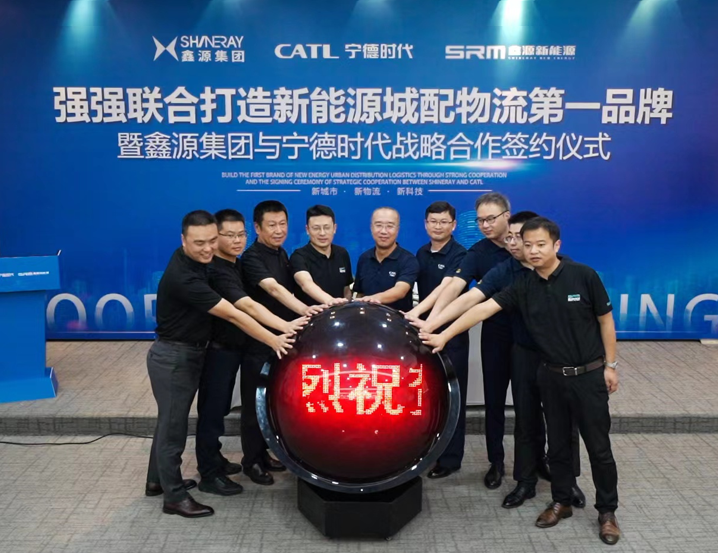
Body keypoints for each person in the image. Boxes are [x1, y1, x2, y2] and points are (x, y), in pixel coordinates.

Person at [420, 217, 621, 545]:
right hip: (550, 375)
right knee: (557, 445)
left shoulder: (583, 275)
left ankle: (607, 512)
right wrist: (442, 334)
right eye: (528, 245)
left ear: (556, 245)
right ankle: (561, 501)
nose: (533, 250)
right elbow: (481, 309)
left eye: (541, 244)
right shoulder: (523, 285)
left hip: (587, 376)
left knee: (599, 448)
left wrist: (611, 365)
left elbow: (605, 320)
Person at [408, 212, 584, 508]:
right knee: (525, 418)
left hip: (559, 356)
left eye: (525, 240)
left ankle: (567, 481)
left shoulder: (571, 272)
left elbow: (595, 320)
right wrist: (435, 327)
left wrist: (605, 364)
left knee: (563, 420)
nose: (517, 245)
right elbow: (474, 301)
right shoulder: (508, 274)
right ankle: (523, 480)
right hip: (523, 351)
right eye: (512, 239)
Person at [146, 210, 295, 518]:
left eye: (212, 241)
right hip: (175, 357)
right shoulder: (186, 276)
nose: (207, 248)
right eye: (199, 243)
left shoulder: (197, 261)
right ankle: (175, 497)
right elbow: (235, 314)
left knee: (169, 422)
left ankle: (157, 481)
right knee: (174, 428)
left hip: (190, 352)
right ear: (183, 240)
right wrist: (275, 339)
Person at [195, 209, 308, 496]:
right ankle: (213, 472)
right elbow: (247, 306)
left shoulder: (239, 263)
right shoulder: (218, 269)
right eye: (229, 235)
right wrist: (286, 326)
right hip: (221, 350)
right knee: (215, 411)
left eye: (239, 235)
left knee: (248, 404)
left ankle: (231, 459)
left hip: (245, 344)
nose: (236, 240)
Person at [424, 192, 513, 489]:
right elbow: (457, 289)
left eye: (491, 219)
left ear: (507, 216)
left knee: (533, 403)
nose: (485, 225)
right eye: (480, 220)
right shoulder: (477, 252)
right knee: (494, 402)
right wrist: (432, 323)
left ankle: (537, 462)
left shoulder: (525, 245)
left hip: (531, 337)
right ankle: (496, 462)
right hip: (496, 335)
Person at [241, 200, 324, 485]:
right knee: (253, 403)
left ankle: (263, 453)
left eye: (282, 224)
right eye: (271, 225)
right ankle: (251, 461)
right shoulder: (251, 258)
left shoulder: (281, 253)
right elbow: (274, 289)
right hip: (260, 340)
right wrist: (305, 310)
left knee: (270, 400)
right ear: (257, 227)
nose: (278, 230)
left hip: (282, 340)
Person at [403, 201, 469, 479]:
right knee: (427, 396)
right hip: (424, 334)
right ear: (425, 224)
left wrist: (425, 317)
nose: (437, 226)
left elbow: (446, 289)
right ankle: (427, 451)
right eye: (433, 221)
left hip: (451, 334)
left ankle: (451, 459)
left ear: (454, 225)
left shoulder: (461, 254)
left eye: (443, 222)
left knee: (453, 397)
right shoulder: (421, 252)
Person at [353, 207, 419, 311]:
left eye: (390, 226)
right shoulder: (364, 258)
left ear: (397, 229)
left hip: (397, 320)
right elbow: (360, 293)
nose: (383, 231)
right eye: (378, 225)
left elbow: (400, 291)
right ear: (371, 228)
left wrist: (372, 299)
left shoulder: (408, 260)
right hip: (368, 319)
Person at [290, 205, 353, 306]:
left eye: (327, 228)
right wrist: (330, 301)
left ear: (334, 228)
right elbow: (306, 284)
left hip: (339, 314)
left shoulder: (342, 254)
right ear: (307, 230)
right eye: (316, 228)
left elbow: (346, 290)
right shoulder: (299, 256)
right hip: (311, 315)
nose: (322, 233)